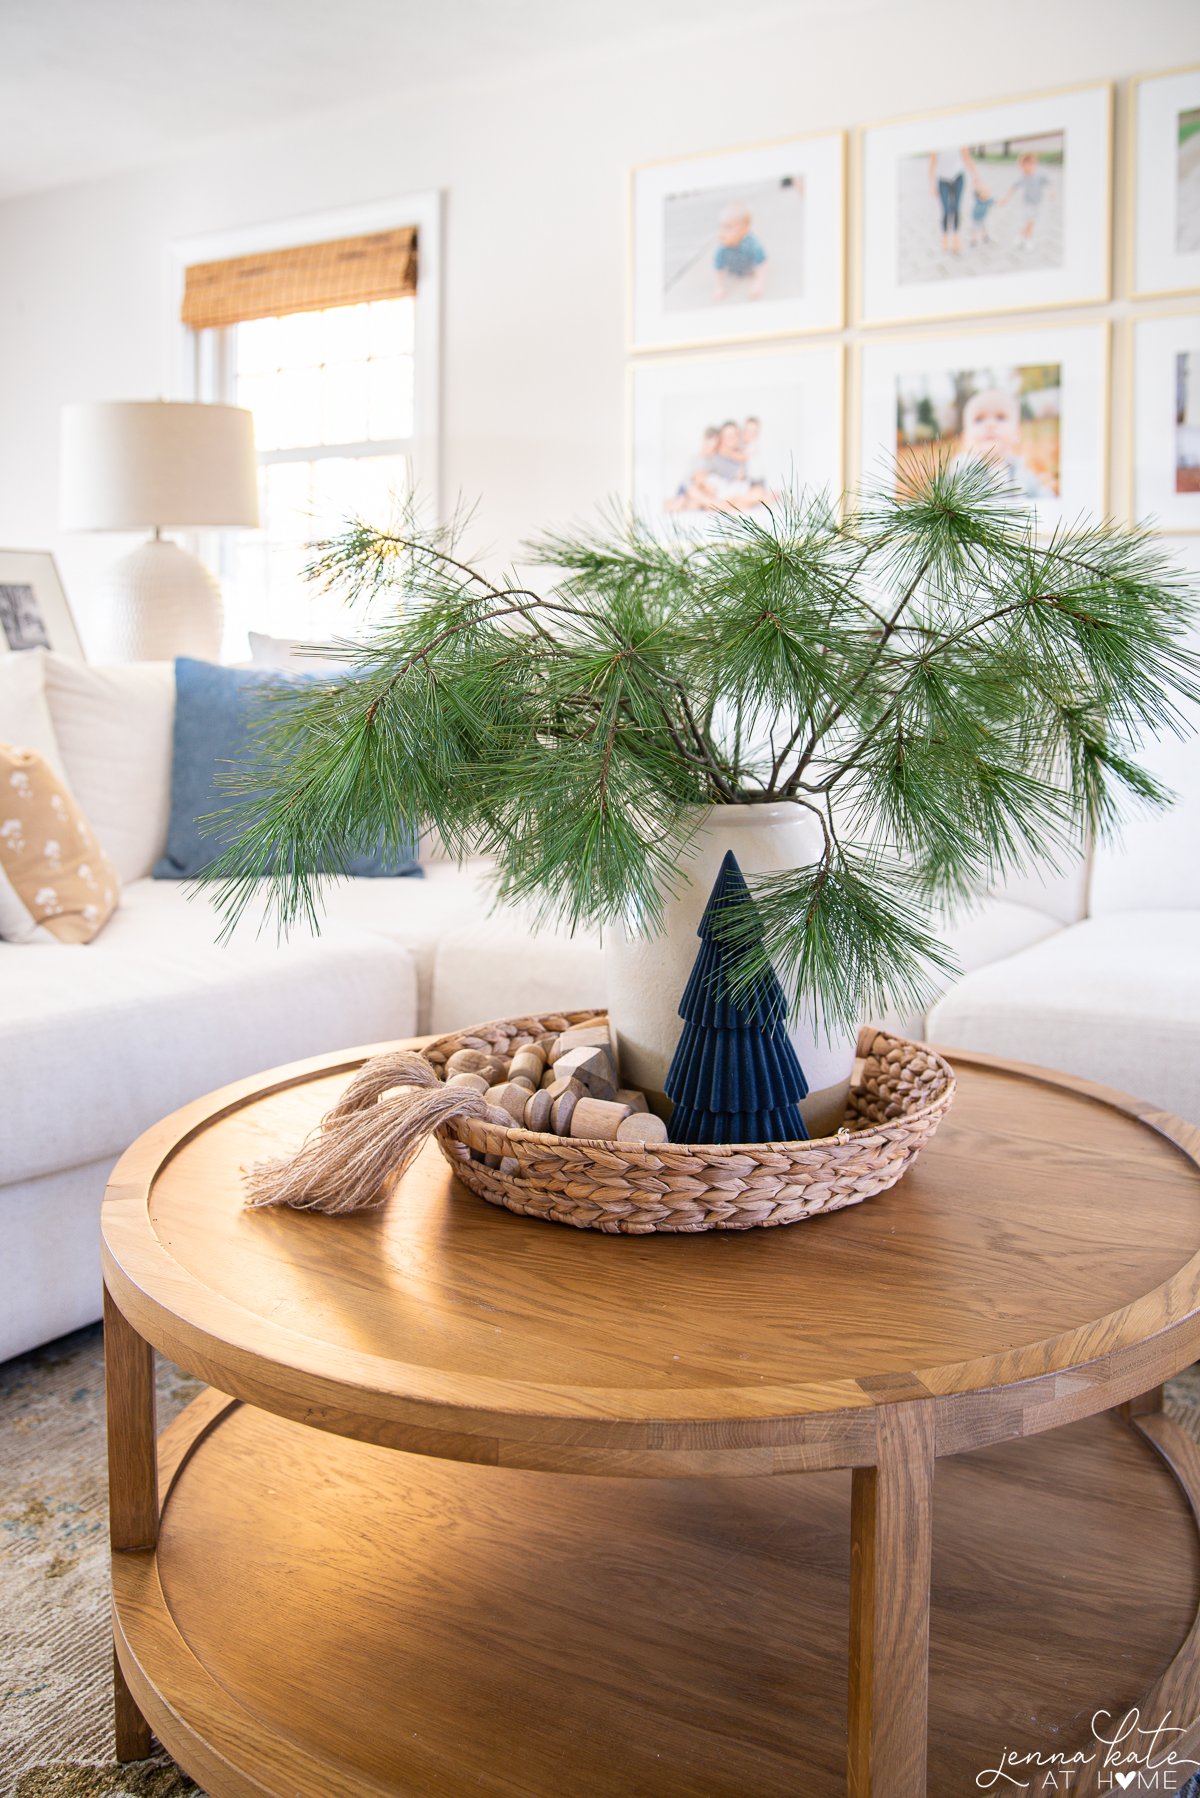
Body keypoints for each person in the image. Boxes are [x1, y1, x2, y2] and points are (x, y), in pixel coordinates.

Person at [952, 387, 1054, 498]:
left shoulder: (1021, 470)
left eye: (1000, 417)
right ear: (965, 437)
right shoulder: (963, 468)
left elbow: (1043, 498)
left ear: (1017, 433)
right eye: (979, 419)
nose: (990, 425)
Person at [928, 145, 980, 254]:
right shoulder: (936, 144)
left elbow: (967, 157)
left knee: (956, 207)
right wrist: (931, 185)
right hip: (942, 180)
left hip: (958, 178)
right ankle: (945, 237)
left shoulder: (959, 141)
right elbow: (932, 163)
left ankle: (956, 237)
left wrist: (975, 175)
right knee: (946, 210)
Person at [1002, 151, 1054, 252]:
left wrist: (1052, 191)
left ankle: (1021, 236)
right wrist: (1006, 198)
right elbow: (1014, 187)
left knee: (1030, 222)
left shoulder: (1039, 175)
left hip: (1037, 203)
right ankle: (1028, 239)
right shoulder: (1023, 176)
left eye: (1030, 164)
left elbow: (1049, 182)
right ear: (1022, 166)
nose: (1027, 168)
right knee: (1030, 221)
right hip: (1027, 203)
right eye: (1024, 166)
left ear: (1034, 164)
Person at [713, 204, 767, 301]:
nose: (721, 232)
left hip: (750, 268)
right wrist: (719, 287)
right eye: (720, 227)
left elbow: (762, 264)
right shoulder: (722, 248)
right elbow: (718, 268)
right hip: (734, 269)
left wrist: (758, 284)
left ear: (744, 230)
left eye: (728, 228)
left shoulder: (752, 245)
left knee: (755, 268)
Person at [968, 183, 997, 247]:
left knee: (984, 227)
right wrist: (977, 184)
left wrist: (1003, 201)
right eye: (984, 192)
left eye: (987, 193)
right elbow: (974, 191)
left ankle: (985, 237)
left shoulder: (988, 200)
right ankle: (973, 240)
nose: (986, 194)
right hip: (975, 218)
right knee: (974, 229)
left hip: (983, 217)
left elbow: (995, 202)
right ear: (979, 194)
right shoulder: (977, 199)